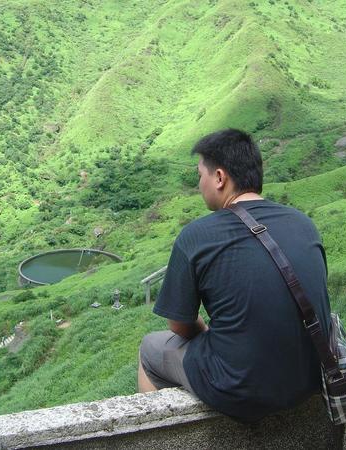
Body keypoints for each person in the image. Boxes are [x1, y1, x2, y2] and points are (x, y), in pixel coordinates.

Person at [138, 128, 332, 422]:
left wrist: (212, 340)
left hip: (241, 390)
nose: (198, 184)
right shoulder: (304, 224)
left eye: (199, 175)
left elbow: (179, 326)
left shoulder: (197, 236)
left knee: (151, 349)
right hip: (312, 376)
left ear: (219, 178)